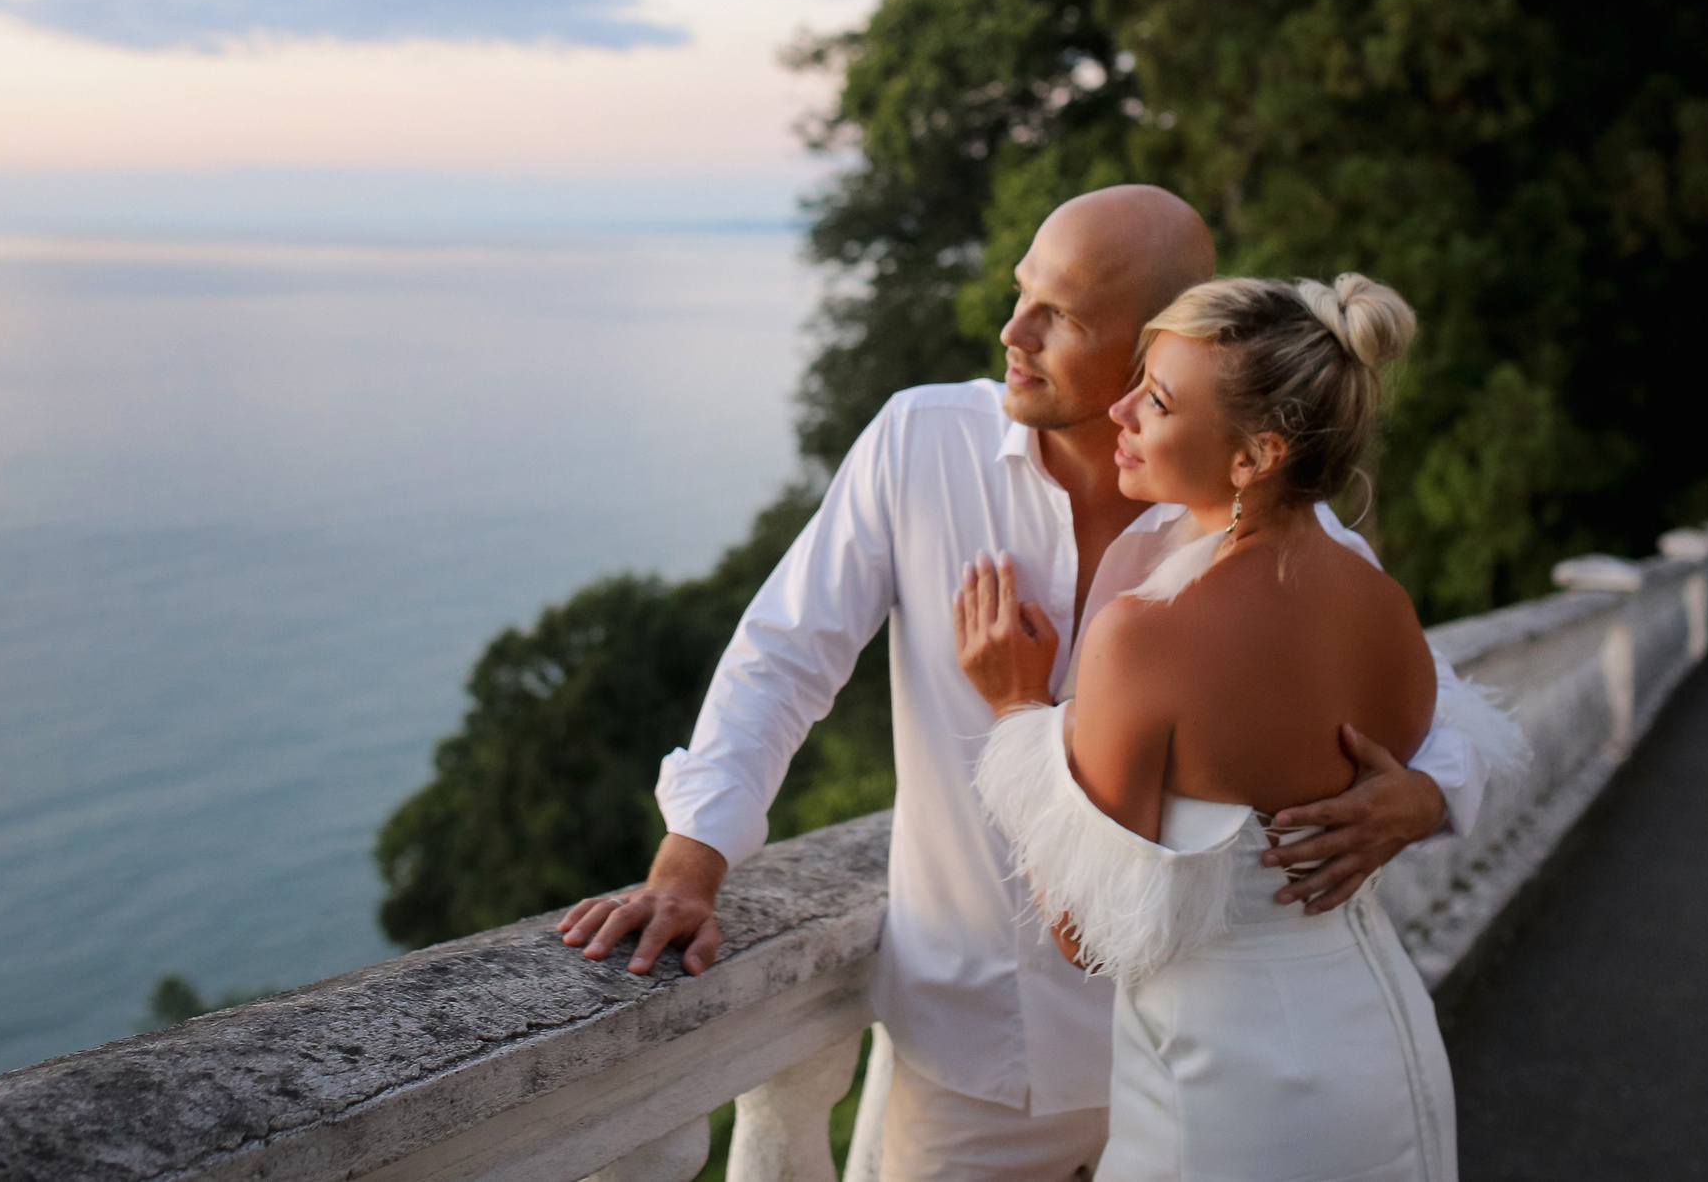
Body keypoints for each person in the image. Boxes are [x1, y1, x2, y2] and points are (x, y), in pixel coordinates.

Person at [556, 188, 1497, 1182]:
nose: (1013, 331)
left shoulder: (1269, 523)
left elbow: (1437, 705)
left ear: (1155, 343)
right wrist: (690, 859)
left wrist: (1428, 795)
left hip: (1190, 1056)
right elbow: (785, 654)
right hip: (970, 1050)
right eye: (1022, 293)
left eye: (1062, 315)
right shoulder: (920, 441)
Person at [962, 274, 1525, 1182]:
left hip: (1231, 1087)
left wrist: (1017, 711)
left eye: (1156, 399)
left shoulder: (1143, 637)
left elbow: (1084, 932)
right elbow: (1443, 733)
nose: (1119, 411)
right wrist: (1426, 796)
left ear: (1255, 455)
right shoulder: (1380, 600)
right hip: (1385, 1045)